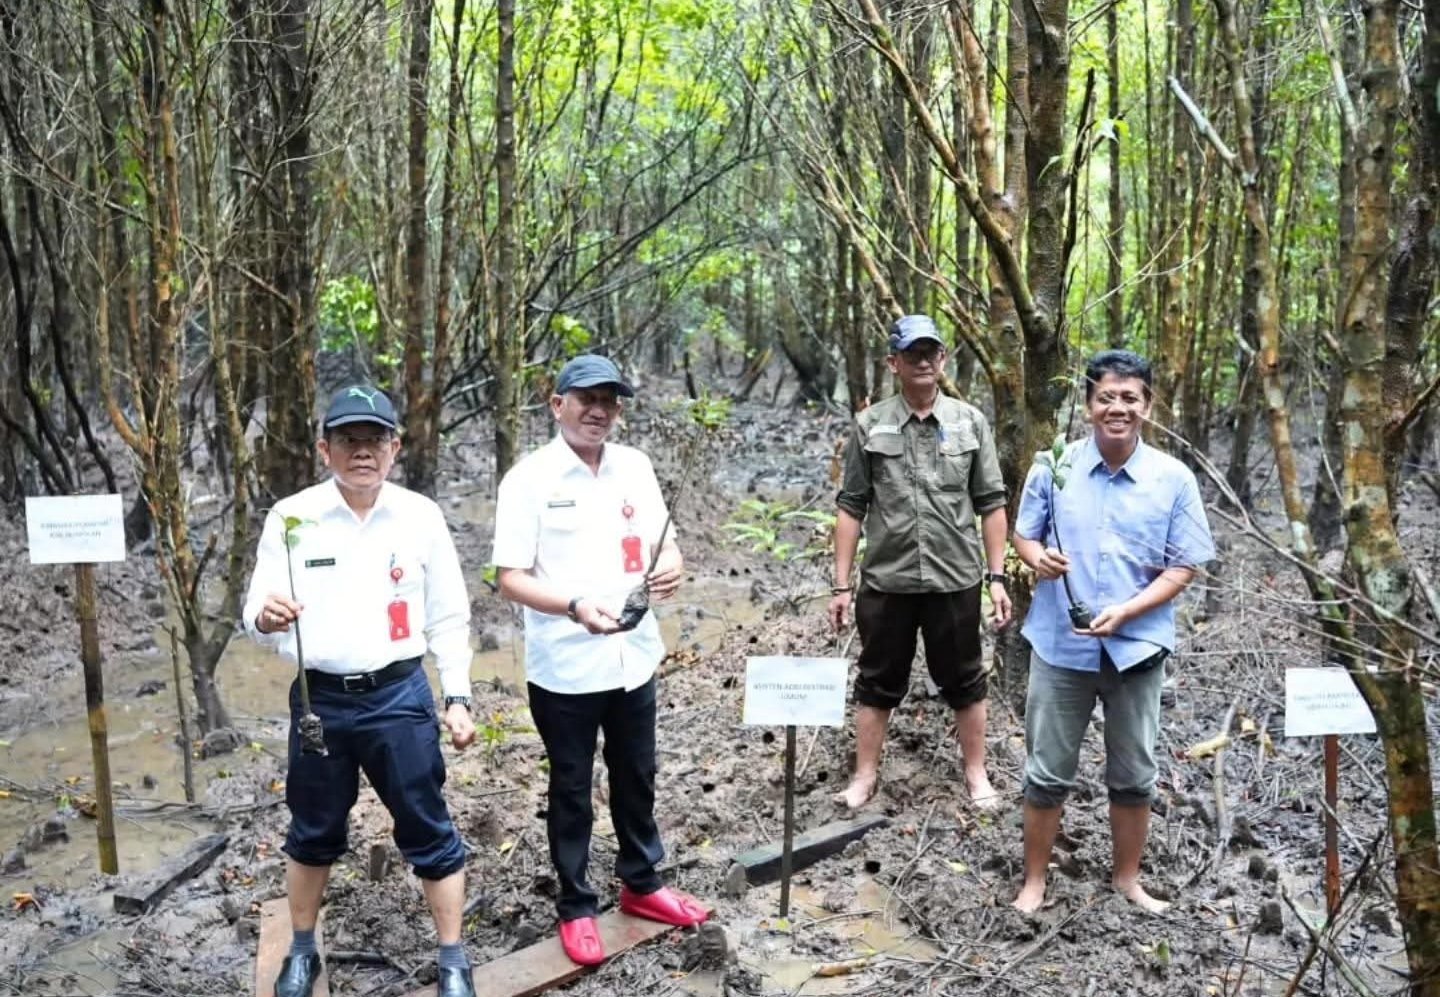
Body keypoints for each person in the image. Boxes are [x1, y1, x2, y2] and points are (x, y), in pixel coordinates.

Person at [244, 385, 478, 997]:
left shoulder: (420, 516)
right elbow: (256, 609)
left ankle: (453, 958)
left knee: (427, 824)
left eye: (375, 439)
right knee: (313, 828)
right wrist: (265, 617)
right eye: (348, 439)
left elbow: (449, 614)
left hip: (399, 694)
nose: (363, 451)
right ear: (325, 450)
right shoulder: (291, 518)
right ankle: (301, 949)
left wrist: (457, 696)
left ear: (395, 448)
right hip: (320, 700)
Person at [492, 355, 708, 968]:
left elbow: (666, 543)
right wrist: (574, 606)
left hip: (633, 655)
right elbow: (509, 577)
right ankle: (576, 904)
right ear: (556, 403)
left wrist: (673, 566)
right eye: (587, 398)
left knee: (637, 773)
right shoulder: (528, 479)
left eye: (609, 401)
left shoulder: (634, 466)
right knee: (572, 785)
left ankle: (642, 881)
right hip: (566, 665)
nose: (599, 411)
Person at [1010, 350, 1215, 914]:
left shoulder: (1173, 479)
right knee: (1046, 772)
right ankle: (1034, 882)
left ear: (1148, 405)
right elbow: (1024, 535)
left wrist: (1128, 611)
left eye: (1129, 397)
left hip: (1137, 648)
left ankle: (1128, 879)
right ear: (1088, 405)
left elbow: (1184, 565)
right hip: (1061, 644)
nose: (1117, 408)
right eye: (1106, 397)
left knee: (1134, 774)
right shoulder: (1054, 466)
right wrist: (1036, 558)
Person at [828, 314, 1012, 812]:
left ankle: (976, 772)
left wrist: (996, 578)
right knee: (876, 679)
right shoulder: (870, 424)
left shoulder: (969, 422)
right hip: (888, 579)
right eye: (913, 353)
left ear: (943, 358)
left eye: (931, 351)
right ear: (894, 362)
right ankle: (865, 775)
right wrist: (841, 586)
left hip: (955, 578)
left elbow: (991, 503)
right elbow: (851, 506)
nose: (924, 361)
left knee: (966, 678)